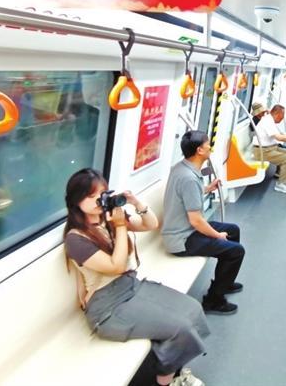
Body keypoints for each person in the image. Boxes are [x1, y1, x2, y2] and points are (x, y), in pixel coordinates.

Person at [63, 168, 208, 386]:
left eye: (101, 194)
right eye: (90, 196)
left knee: (193, 309)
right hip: (108, 307)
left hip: (131, 286)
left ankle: (176, 370)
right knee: (180, 327)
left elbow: (151, 224)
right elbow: (116, 266)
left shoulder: (108, 218)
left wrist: (135, 202)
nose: (98, 201)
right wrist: (120, 226)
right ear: (76, 201)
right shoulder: (76, 239)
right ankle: (165, 381)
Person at [163, 131, 245, 315]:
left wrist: (207, 189)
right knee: (236, 251)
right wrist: (217, 236)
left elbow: (187, 196)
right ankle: (213, 301)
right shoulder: (189, 178)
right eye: (208, 144)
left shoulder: (181, 168)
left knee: (233, 230)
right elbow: (196, 221)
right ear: (199, 150)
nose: (210, 147)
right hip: (182, 239)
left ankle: (224, 282)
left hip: (184, 229)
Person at [253, 103, 286, 193]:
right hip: (262, 151)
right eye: (281, 117)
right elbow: (280, 138)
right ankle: (281, 184)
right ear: (276, 114)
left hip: (270, 148)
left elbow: (281, 134)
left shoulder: (270, 119)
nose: (282, 119)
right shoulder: (267, 121)